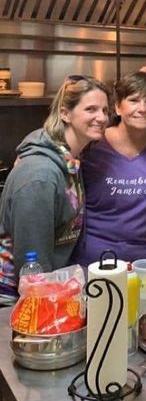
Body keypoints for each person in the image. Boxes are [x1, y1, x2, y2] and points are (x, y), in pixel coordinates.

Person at [0, 75, 110, 301]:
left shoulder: (70, 160)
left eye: (105, 110)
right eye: (91, 109)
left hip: (45, 290)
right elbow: (33, 266)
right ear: (64, 113)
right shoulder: (40, 176)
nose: (101, 118)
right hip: (15, 299)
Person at [71, 72, 146, 266]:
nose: (142, 109)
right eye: (133, 100)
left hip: (145, 262)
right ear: (117, 107)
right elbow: (57, 144)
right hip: (94, 260)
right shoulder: (92, 143)